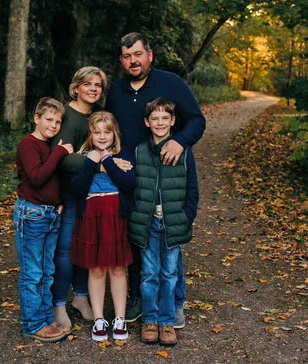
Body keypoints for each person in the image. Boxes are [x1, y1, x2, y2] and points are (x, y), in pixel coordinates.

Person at [105, 31, 206, 326]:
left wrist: (181, 142)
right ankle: (140, 297)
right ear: (121, 61)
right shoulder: (117, 91)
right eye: (127, 56)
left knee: (168, 238)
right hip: (131, 176)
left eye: (138, 54)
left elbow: (197, 120)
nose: (133, 61)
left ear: (149, 54)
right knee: (137, 235)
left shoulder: (170, 83)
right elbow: (108, 128)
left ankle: (174, 303)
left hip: (167, 173)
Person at [129, 97, 199, 346]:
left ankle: (167, 321)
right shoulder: (139, 150)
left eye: (165, 118)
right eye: (155, 118)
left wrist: (187, 217)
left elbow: (193, 189)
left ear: (173, 121)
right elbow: (132, 187)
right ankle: (150, 319)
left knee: (169, 273)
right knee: (149, 273)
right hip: (147, 223)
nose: (160, 123)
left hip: (172, 222)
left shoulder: (183, 151)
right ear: (147, 122)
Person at [50, 66, 108, 328]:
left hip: (92, 194)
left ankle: (81, 297)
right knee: (65, 251)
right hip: (69, 195)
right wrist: (96, 162)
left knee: (88, 248)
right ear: (76, 87)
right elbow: (62, 158)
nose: (93, 88)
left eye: (98, 84)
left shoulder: (96, 115)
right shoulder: (67, 115)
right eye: (88, 84)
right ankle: (59, 304)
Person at [70, 111, 135, 342]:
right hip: (91, 215)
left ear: (114, 133)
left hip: (115, 214)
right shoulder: (84, 157)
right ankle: (99, 319)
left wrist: (107, 160)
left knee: (117, 267)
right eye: (96, 132)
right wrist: (93, 162)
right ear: (90, 134)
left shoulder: (122, 154)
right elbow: (76, 188)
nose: (102, 136)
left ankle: (119, 318)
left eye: (106, 132)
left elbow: (128, 182)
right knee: (96, 268)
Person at [13, 97, 74, 343]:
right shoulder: (28, 144)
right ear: (36, 118)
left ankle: (47, 318)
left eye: (58, 122)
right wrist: (60, 151)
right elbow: (37, 177)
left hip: (49, 214)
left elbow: (51, 181)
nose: (54, 125)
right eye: (49, 119)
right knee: (33, 273)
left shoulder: (48, 146)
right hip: (32, 215)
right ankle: (33, 323)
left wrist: (58, 201)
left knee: (48, 271)